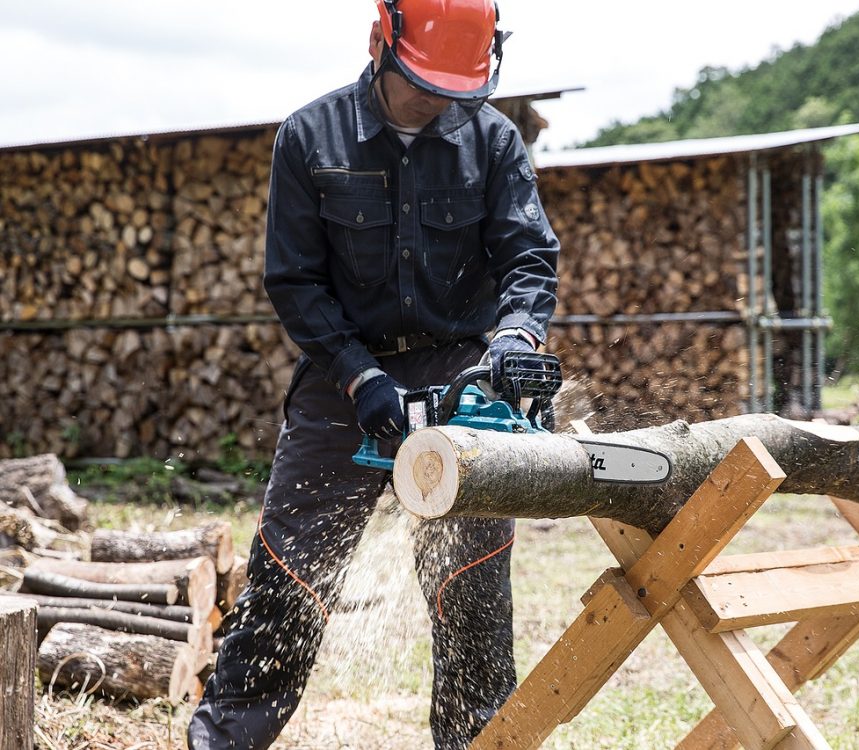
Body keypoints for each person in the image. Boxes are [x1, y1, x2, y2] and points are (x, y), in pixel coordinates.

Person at [188, 0, 559, 747]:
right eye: (424, 82)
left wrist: (517, 337)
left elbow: (528, 258)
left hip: (461, 369)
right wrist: (361, 378)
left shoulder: (493, 141)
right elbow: (294, 282)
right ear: (378, 43)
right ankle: (226, 736)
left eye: (456, 88)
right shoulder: (310, 136)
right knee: (287, 580)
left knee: (473, 591)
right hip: (342, 376)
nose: (437, 100)